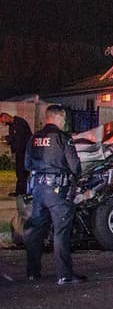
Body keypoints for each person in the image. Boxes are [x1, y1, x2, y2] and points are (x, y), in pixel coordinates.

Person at [24, 105, 85, 285]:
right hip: (57, 191)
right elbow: (75, 167)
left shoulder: (34, 138)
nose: (64, 122)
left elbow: (27, 164)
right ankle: (64, 274)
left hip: (38, 191)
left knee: (36, 232)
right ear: (58, 117)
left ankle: (33, 272)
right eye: (63, 119)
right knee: (61, 232)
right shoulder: (62, 138)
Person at [0, 112, 33, 195]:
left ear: (6, 117)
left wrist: (7, 139)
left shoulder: (20, 123)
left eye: (2, 121)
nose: (3, 123)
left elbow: (19, 138)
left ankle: (23, 191)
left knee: (22, 172)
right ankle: (19, 191)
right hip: (19, 152)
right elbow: (14, 138)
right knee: (19, 172)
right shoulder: (12, 125)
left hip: (24, 151)